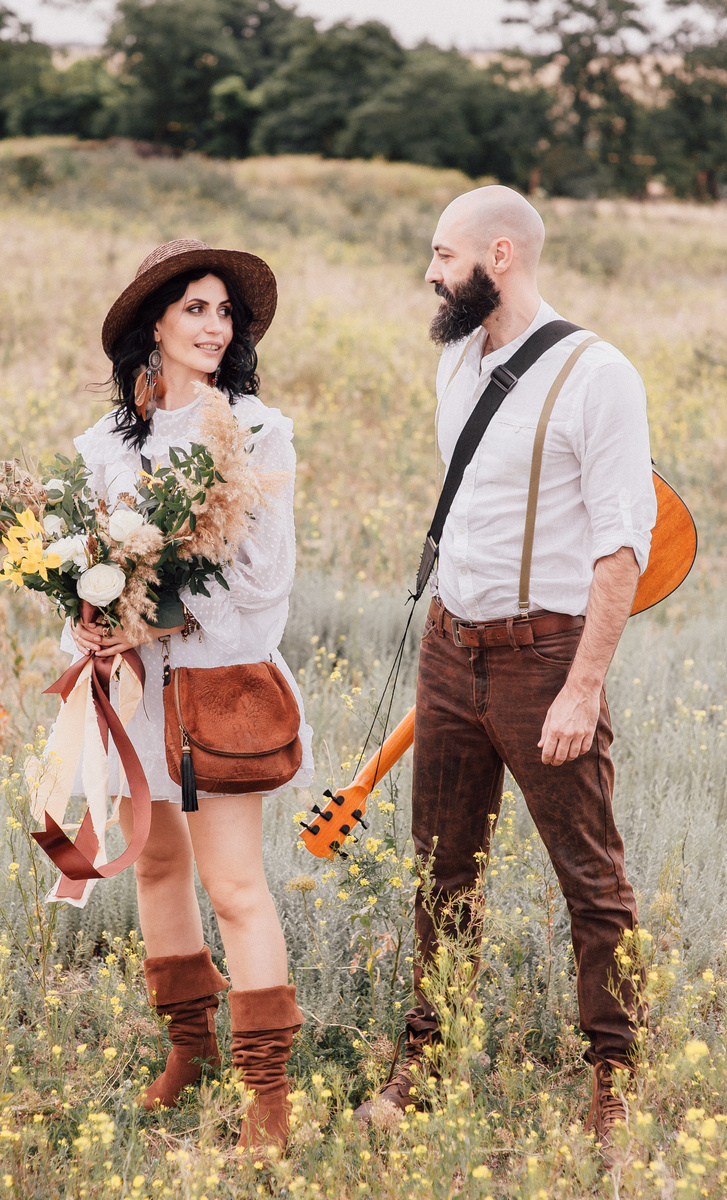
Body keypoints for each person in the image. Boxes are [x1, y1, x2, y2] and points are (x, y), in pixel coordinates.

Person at [354, 188, 656, 1163]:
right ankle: (427, 1065)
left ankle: (615, 1078)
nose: (429, 274)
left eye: (441, 254)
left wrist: (579, 685)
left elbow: (620, 547)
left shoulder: (596, 373)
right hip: (451, 647)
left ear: (498, 253)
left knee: (588, 876)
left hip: (543, 656)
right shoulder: (453, 357)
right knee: (441, 873)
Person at [68, 239, 314, 1155]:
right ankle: (189, 1053)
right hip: (134, 693)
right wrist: (92, 627)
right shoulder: (101, 447)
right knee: (158, 866)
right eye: (196, 310)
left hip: (218, 688)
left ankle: (268, 1094)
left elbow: (263, 583)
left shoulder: (254, 431)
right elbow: (83, 569)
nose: (215, 327)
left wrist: (153, 617)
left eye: (225, 313)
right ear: (154, 325)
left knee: (236, 884)